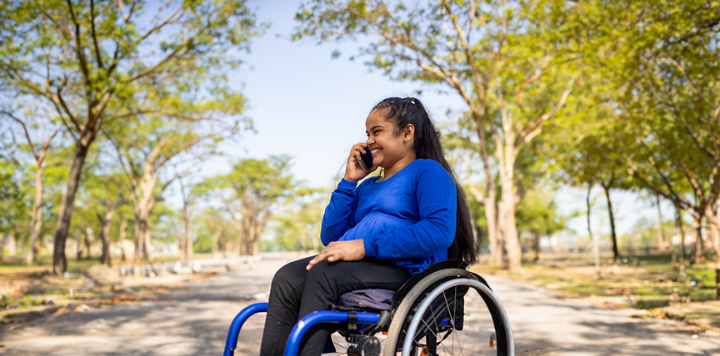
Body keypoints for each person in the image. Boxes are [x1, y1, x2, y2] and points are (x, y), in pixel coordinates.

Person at [259, 97, 476, 355]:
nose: (368, 141)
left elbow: (439, 233)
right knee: (287, 276)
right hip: (365, 265)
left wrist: (365, 247)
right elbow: (331, 237)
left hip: (409, 269)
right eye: (367, 134)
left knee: (325, 273)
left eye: (377, 132)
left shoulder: (427, 172)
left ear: (407, 132)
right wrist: (349, 182)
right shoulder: (366, 187)